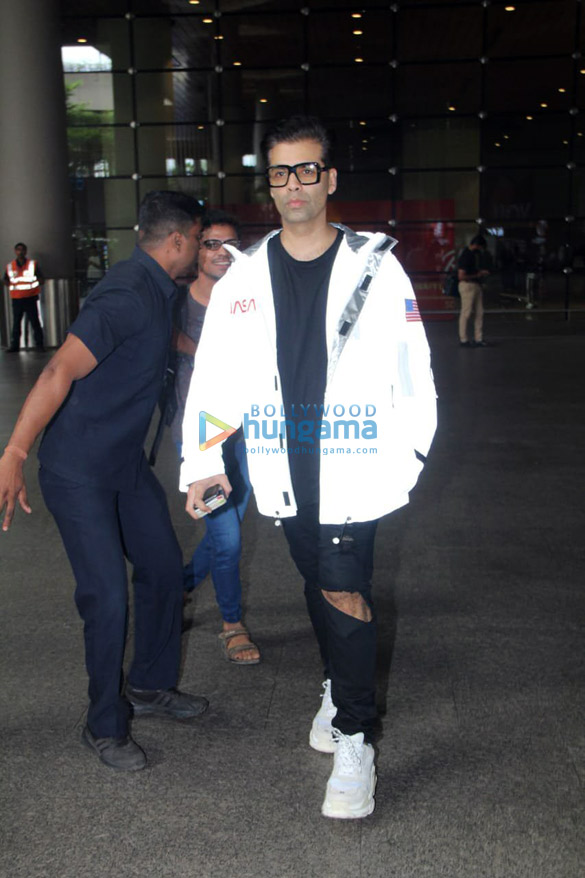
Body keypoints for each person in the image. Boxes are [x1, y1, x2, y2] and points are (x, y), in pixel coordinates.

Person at [180, 116, 437, 819]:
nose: (293, 184)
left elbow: (413, 370)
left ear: (328, 178)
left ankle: (356, 739)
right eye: (279, 173)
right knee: (317, 581)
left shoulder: (375, 266)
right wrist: (203, 459)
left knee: (344, 588)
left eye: (305, 170)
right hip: (281, 465)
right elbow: (214, 378)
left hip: (356, 464)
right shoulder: (245, 276)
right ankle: (335, 680)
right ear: (270, 185)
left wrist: (407, 454)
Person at [0, 191, 209, 772]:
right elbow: (59, 366)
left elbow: (156, 339)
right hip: (78, 472)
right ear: (176, 242)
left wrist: (199, 348)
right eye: (196, 238)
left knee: (165, 569)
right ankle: (103, 724)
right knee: (107, 596)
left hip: (122, 466)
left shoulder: (158, 288)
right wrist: (15, 450)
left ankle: (150, 685)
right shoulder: (125, 293)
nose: (199, 246)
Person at [172, 210, 259, 664]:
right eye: (211, 244)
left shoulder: (252, 298)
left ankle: (181, 585)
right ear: (195, 249)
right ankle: (231, 623)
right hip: (200, 434)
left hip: (247, 432)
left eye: (231, 244)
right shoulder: (176, 303)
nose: (222, 252)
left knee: (230, 528)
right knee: (226, 537)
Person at [3, 242, 45, 352]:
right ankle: (15, 346)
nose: (20, 252)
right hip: (17, 298)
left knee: (35, 322)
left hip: (30, 298)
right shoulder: (10, 266)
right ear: (15, 251)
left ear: (25, 251)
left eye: (22, 250)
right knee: (17, 323)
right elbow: (6, 279)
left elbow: (41, 279)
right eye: (18, 250)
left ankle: (39, 345)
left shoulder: (32, 264)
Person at [457, 234, 490, 347]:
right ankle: (464, 339)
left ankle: (478, 338)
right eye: (480, 247)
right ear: (477, 245)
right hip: (468, 285)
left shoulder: (472, 254)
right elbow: (461, 276)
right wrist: (478, 274)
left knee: (479, 312)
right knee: (466, 313)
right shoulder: (466, 255)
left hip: (475, 285)